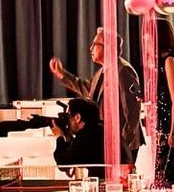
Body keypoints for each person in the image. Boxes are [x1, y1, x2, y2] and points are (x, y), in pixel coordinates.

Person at [49, 28, 141, 160]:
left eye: (95, 44)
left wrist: (122, 144)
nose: (91, 48)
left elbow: (132, 114)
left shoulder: (124, 71)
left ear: (108, 47)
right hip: (106, 142)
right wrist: (62, 74)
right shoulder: (101, 72)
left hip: (121, 144)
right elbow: (86, 88)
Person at [150, 20, 174, 186]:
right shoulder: (160, 62)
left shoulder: (169, 61)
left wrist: (173, 131)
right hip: (163, 122)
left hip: (171, 124)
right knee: (160, 171)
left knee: (169, 170)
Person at [51, 97, 106, 170]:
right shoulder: (100, 129)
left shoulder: (86, 135)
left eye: (69, 118)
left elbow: (63, 164)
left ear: (77, 117)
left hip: (103, 179)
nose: (68, 123)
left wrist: (59, 137)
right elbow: (74, 155)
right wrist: (67, 137)